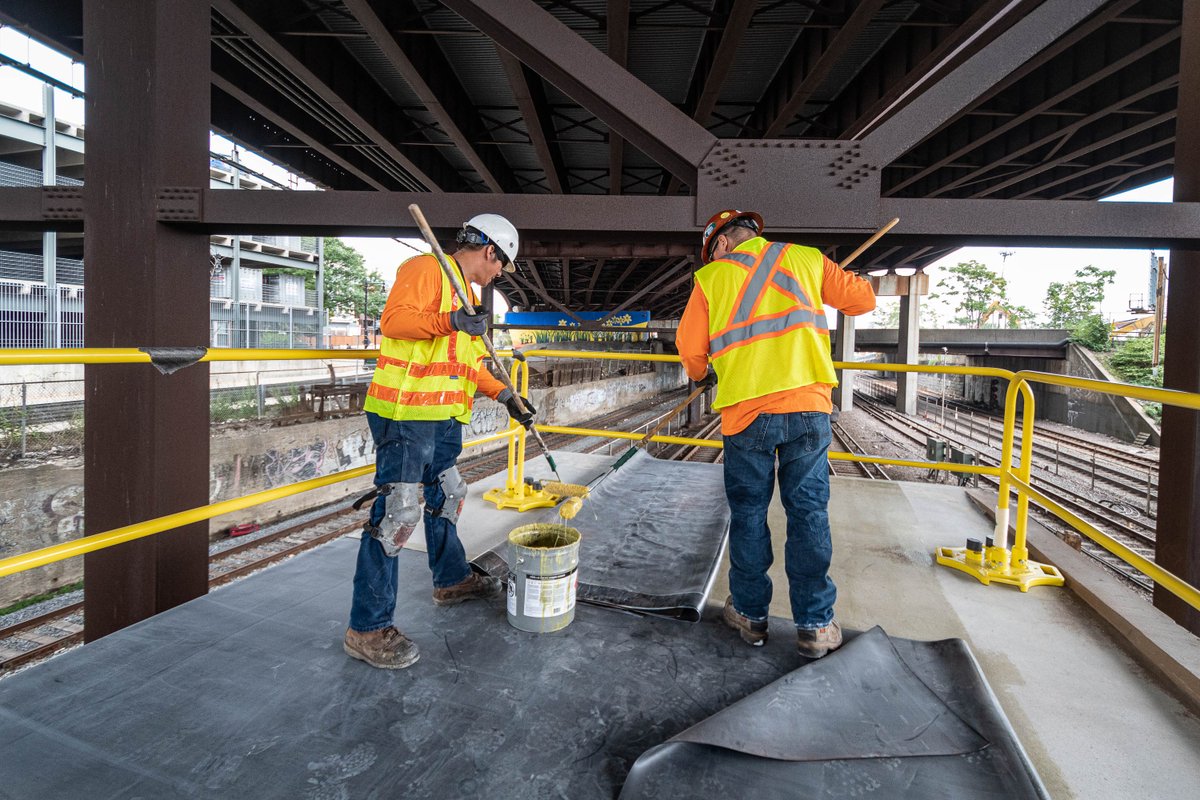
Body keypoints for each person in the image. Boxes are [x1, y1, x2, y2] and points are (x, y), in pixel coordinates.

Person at [677, 209, 876, 658]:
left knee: (749, 514)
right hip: (808, 405)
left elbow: (690, 353)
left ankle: (750, 615)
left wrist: (704, 372)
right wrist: (856, 278)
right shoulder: (806, 259)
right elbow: (861, 301)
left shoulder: (711, 279)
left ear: (722, 244)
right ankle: (816, 625)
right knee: (808, 512)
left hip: (746, 413)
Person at [344, 213, 537, 670]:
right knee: (399, 513)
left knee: (447, 493)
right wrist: (451, 320)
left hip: (444, 416)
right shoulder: (427, 269)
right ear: (490, 251)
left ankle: (450, 580)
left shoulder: (467, 296)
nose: (498, 275)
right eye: (501, 266)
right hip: (405, 412)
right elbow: (394, 322)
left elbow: (470, 366)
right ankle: (367, 628)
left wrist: (506, 395)